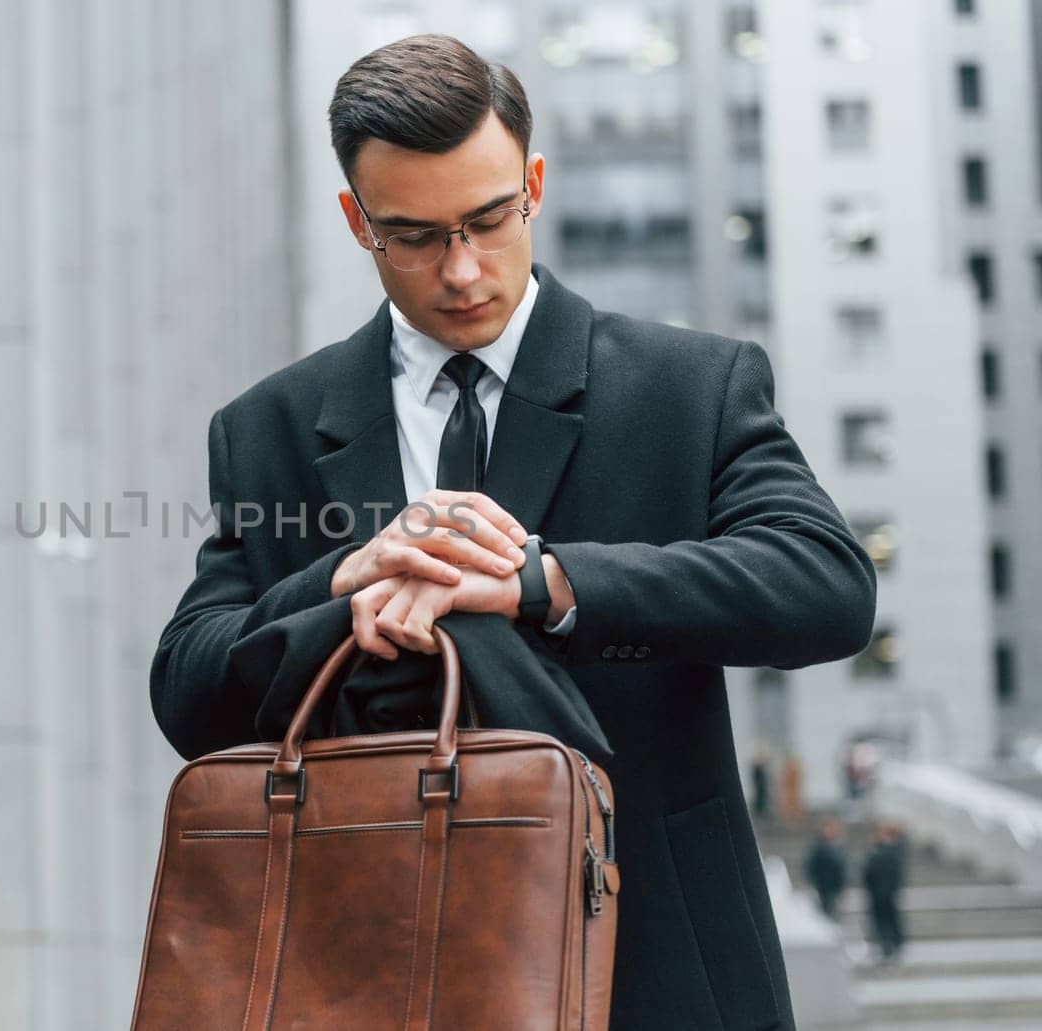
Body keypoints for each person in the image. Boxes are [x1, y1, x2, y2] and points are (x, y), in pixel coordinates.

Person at [149, 34, 876, 1030]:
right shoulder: (268, 425)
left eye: (488, 220)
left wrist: (546, 580)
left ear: (532, 184)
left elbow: (826, 586)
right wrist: (342, 579)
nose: (460, 269)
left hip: (655, 966)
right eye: (412, 235)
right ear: (355, 220)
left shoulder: (687, 388)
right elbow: (189, 686)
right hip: (360, 971)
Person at [863, 822, 908, 964]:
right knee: (884, 921)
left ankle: (890, 945)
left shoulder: (888, 852)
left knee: (886, 921)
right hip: (879, 893)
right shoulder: (883, 851)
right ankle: (889, 945)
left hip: (884, 893)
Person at [804, 818, 849, 920]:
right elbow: (811, 866)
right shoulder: (817, 847)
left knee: (834, 909)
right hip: (822, 884)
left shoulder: (838, 847)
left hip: (835, 885)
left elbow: (842, 868)